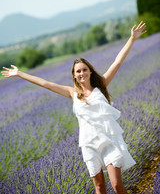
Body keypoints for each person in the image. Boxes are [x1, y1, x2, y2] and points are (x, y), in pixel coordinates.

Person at [1, 21, 147, 194]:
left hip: (109, 140)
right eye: (78, 71)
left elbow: (117, 62)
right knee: (99, 187)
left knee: (116, 185)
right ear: (74, 76)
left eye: (84, 69)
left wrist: (131, 39)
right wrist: (19, 74)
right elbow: (46, 83)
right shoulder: (72, 93)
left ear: (90, 71)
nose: (82, 73)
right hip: (89, 144)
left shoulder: (101, 85)